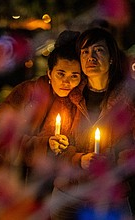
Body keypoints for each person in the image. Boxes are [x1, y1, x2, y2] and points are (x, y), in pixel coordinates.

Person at [0, 30, 82, 220]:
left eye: (74, 76)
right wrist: (42, 145)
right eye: (61, 73)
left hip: (44, 187)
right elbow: (0, 131)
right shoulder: (29, 92)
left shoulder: (77, 103)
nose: (67, 81)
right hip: (7, 175)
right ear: (50, 73)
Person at [49, 27, 135, 219]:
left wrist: (113, 162)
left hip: (111, 196)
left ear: (111, 58)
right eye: (85, 52)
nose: (91, 57)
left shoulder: (128, 100)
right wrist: (78, 159)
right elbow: (55, 143)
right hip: (68, 195)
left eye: (98, 50)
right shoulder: (69, 97)